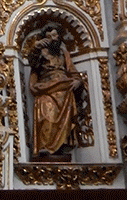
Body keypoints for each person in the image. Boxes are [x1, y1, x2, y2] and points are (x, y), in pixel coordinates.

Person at [28, 25, 85, 158]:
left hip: (64, 89)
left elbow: (73, 71)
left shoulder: (64, 53)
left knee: (66, 107)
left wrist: (77, 81)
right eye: (49, 37)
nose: (53, 39)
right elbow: (32, 63)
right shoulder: (40, 52)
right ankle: (45, 146)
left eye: (54, 35)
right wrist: (36, 47)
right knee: (46, 113)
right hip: (46, 88)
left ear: (58, 37)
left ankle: (62, 145)